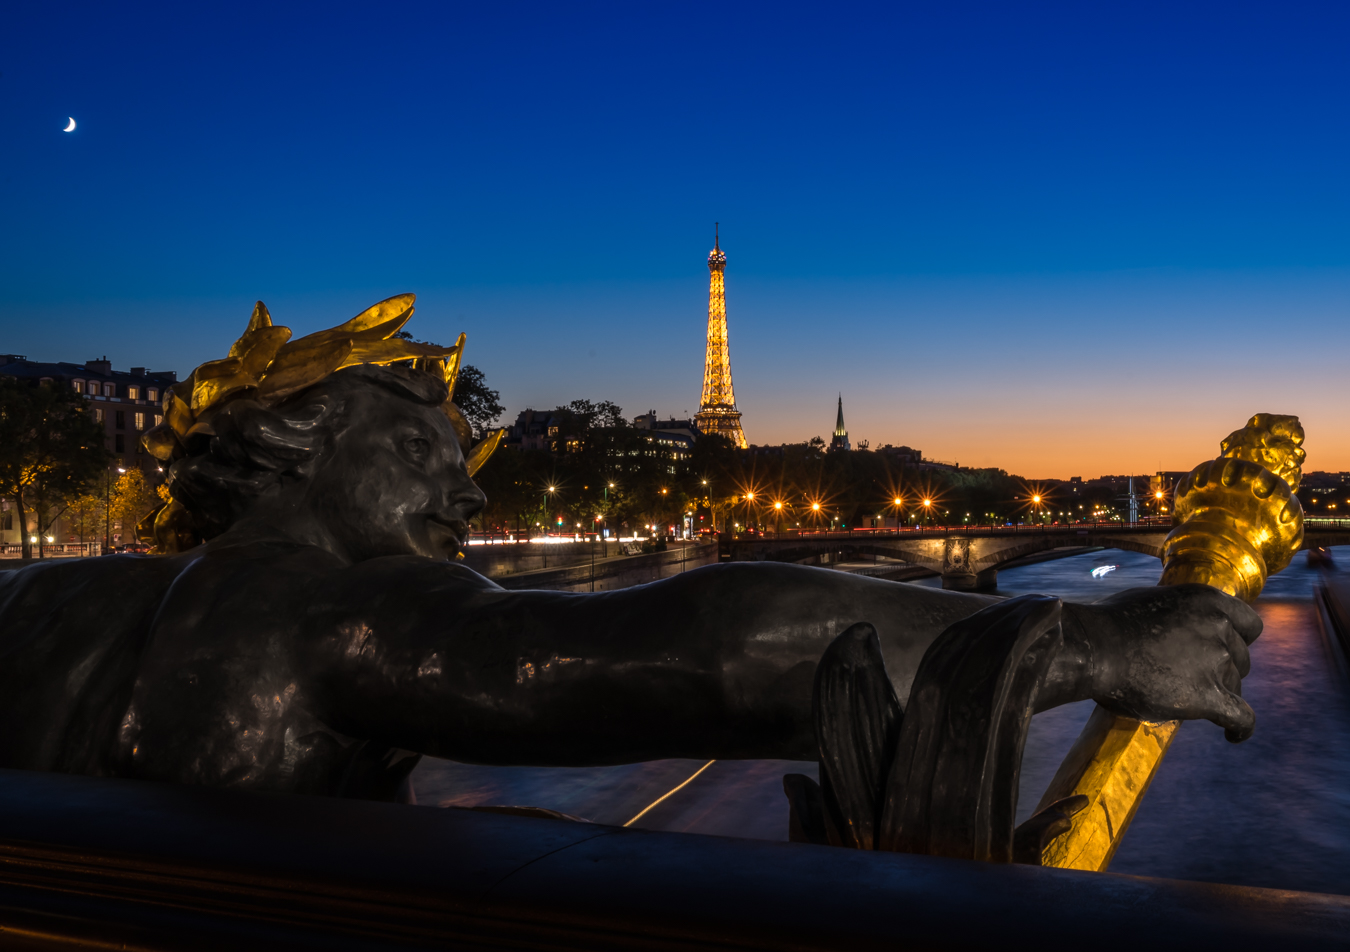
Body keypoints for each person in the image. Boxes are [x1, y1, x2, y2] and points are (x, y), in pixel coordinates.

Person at [0, 300, 1262, 802]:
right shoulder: (325, 612)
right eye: (425, 446)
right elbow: (708, 647)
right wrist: (1097, 644)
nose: (462, 488)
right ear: (296, 447)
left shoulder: (61, 602)